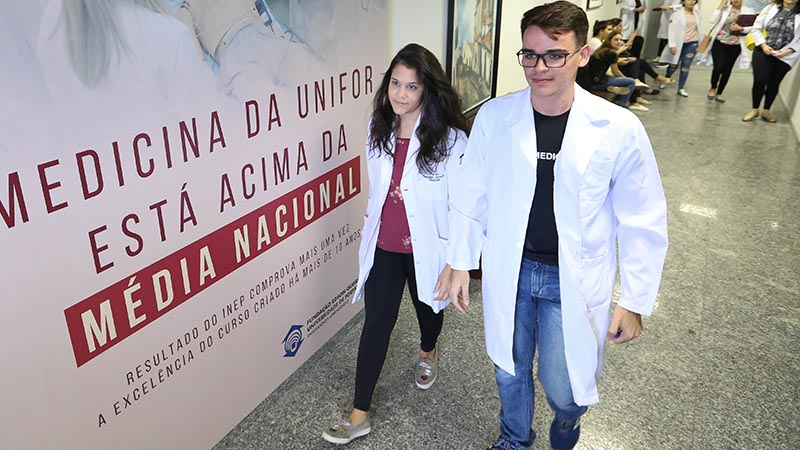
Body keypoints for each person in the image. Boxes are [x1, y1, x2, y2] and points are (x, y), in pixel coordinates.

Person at [446, 2, 669, 449]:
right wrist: (458, 262)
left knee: (565, 390)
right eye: (529, 54)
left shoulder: (617, 127)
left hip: (574, 279)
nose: (539, 67)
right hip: (511, 268)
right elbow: (472, 192)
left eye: (554, 55)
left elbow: (643, 217)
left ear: (583, 55)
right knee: (508, 368)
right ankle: (514, 439)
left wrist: (636, 300)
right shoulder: (495, 117)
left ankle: (566, 423)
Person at [322, 43, 468, 445]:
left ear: (428, 90)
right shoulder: (378, 127)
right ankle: (359, 412)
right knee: (376, 325)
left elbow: (464, 206)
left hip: (428, 248)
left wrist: (454, 261)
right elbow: (378, 190)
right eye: (395, 83)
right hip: (385, 244)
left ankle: (427, 350)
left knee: (428, 312)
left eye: (412, 87)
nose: (401, 94)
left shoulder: (451, 140)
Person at [741, 0, 800, 122]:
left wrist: (789, 51)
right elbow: (756, 29)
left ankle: (766, 111)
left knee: (774, 82)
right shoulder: (770, 8)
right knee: (760, 80)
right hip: (763, 50)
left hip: (785, 55)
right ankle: (754, 109)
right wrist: (763, 45)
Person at [577, 31, 649, 111]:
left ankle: (612, 88)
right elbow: (616, 71)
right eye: (616, 40)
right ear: (609, 40)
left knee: (626, 78)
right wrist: (632, 81)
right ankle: (621, 106)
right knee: (631, 82)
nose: (619, 42)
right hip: (597, 83)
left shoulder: (602, 50)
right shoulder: (611, 53)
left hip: (592, 80)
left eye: (620, 40)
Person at [705, 0, 756, 102]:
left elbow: (753, 27)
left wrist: (741, 28)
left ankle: (720, 93)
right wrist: (721, 5)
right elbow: (712, 20)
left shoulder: (749, 11)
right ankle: (713, 87)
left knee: (727, 70)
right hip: (720, 42)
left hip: (735, 45)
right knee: (718, 67)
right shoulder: (725, 9)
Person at [658, 0, 702, 97]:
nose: (691, 2)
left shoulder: (696, 13)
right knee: (674, 64)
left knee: (686, 65)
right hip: (679, 43)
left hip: (692, 43)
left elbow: (698, 28)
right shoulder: (677, 14)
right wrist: (672, 45)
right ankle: (666, 78)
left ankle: (681, 88)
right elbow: (672, 30)